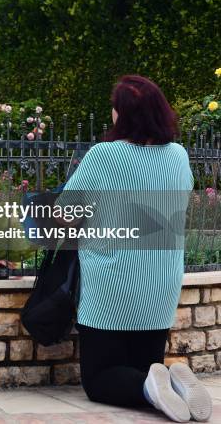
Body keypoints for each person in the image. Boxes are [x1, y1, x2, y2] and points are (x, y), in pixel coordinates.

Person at [55, 75, 212, 423]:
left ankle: (155, 384)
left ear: (122, 114)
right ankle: (169, 380)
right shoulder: (178, 156)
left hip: (112, 285)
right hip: (161, 284)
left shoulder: (104, 155)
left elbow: (64, 213)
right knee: (144, 367)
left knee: (99, 379)